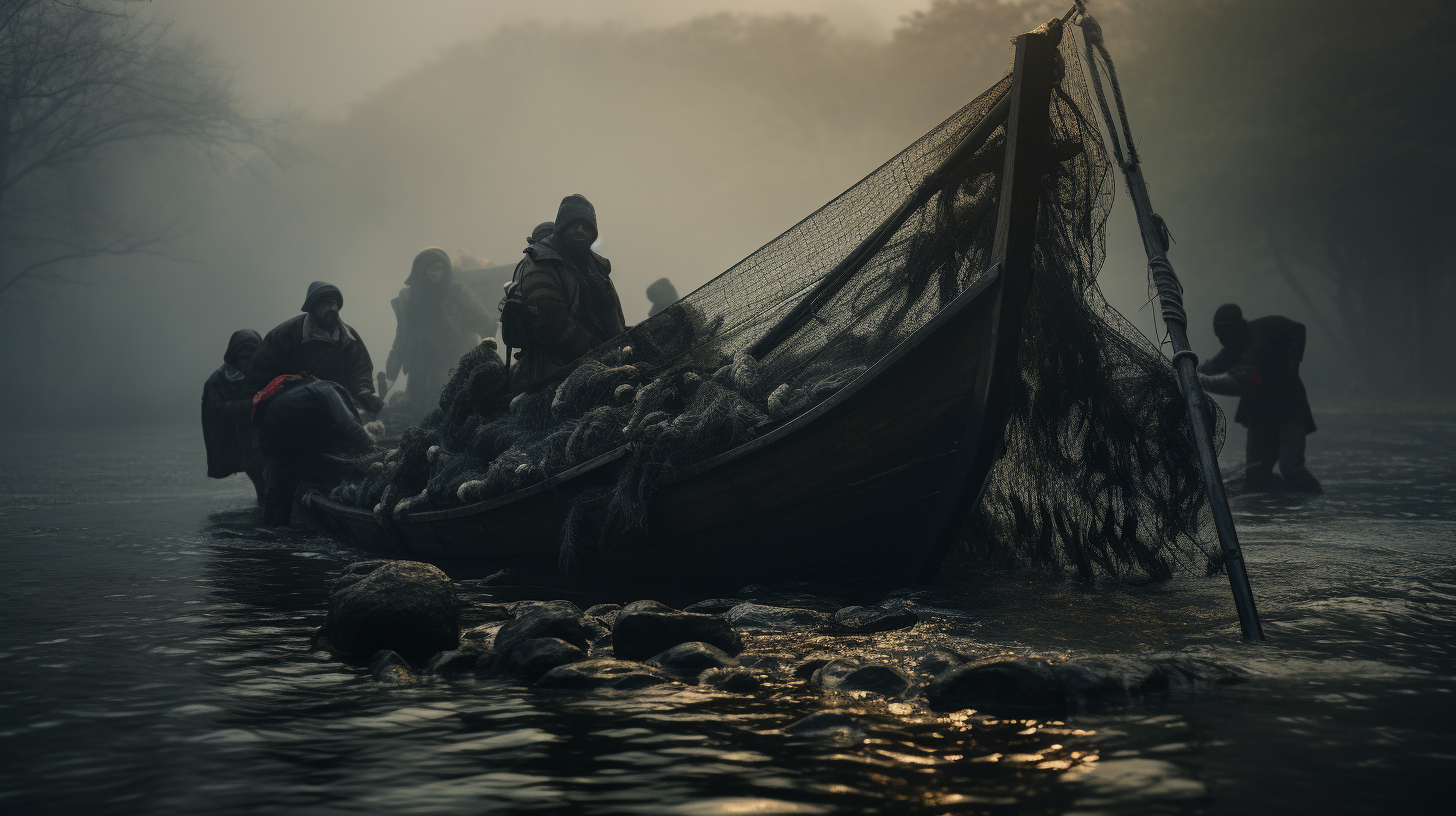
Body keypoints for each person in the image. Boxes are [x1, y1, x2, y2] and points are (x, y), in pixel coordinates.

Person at [1198, 303, 1322, 493]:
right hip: (1260, 414)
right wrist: (1193, 371)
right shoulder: (1237, 345)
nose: (1222, 339)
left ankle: (1317, 504)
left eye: (1224, 332)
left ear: (1235, 328)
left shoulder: (1260, 340)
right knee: (1255, 476)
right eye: (1218, 334)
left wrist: (1201, 381)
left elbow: (1241, 383)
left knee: (1292, 470)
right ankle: (1281, 506)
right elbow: (1216, 364)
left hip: (1288, 411)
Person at [506, 195, 627, 388]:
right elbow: (551, 326)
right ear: (561, 227)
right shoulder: (542, 262)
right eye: (574, 224)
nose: (580, 230)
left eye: (586, 226)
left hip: (607, 361)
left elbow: (613, 318)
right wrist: (601, 353)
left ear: (593, 232)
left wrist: (622, 345)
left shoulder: (598, 265)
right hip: (556, 371)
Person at [253, 376, 374, 526]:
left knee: (281, 482)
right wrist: (374, 450)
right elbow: (348, 425)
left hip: (270, 423)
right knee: (332, 469)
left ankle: (273, 533)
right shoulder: (329, 389)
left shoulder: (306, 391)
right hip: (290, 419)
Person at [383, 247, 495, 406]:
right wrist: (390, 377)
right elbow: (401, 340)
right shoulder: (408, 299)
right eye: (429, 268)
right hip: (419, 370)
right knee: (420, 416)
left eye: (438, 268)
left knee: (450, 408)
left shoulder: (457, 292)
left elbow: (484, 322)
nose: (434, 273)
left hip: (453, 365)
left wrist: (485, 353)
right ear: (420, 271)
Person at [251, 281, 383, 413]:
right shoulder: (285, 334)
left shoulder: (349, 338)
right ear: (314, 305)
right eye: (328, 303)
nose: (334, 308)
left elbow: (360, 370)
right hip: (290, 407)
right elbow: (260, 372)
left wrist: (364, 392)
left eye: (336, 304)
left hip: (336, 407)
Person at [201, 329, 266, 505]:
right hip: (239, 437)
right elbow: (215, 409)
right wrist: (250, 405)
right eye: (244, 356)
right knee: (260, 475)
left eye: (254, 355)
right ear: (234, 356)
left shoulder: (264, 374)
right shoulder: (218, 379)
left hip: (263, 434)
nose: (249, 361)